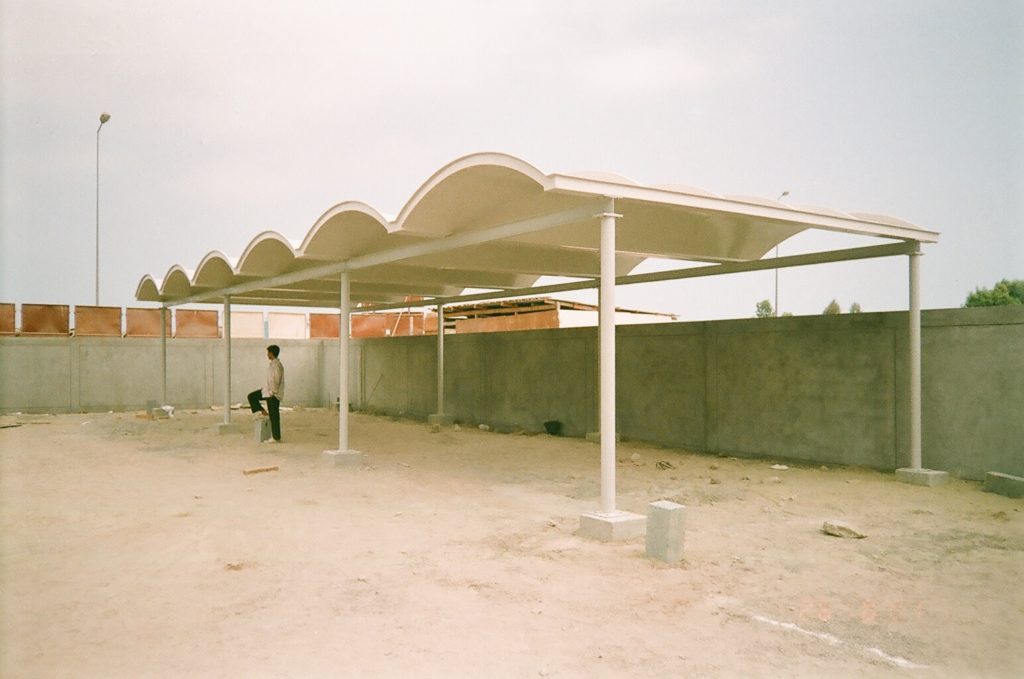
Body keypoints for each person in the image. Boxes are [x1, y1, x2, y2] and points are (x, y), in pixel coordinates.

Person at [248, 345, 285, 443]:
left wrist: (272, 392)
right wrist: (265, 388)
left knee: (274, 415)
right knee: (252, 396)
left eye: (268, 352)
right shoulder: (273, 364)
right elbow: (270, 379)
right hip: (268, 391)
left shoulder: (277, 365)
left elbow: (276, 380)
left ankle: (276, 437)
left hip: (273, 394)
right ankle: (262, 411)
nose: (267, 354)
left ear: (271, 353)